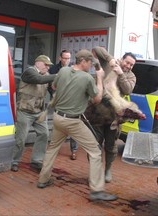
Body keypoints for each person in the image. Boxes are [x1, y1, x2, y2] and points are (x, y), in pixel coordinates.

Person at [37, 49, 117, 201]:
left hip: (58, 117)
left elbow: (54, 87)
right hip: (72, 121)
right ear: (84, 61)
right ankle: (97, 190)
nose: (91, 66)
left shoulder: (63, 71)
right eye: (90, 63)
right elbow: (97, 99)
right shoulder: (87, 78)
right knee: (95, 151)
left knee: (52, 148)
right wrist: (99, 79)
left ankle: (43, 180)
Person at [86, 46, 137, 183]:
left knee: (110, 146)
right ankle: (94, 172)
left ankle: (107, 169)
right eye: (127, 62)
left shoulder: (130, 76)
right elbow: (96, 49)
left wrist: (121, 74)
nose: (128, 66)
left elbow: (127, 90)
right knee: (93, 145)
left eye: (131, 65)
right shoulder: (109, 63)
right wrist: (110, 59)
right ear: (122, 59)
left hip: (113, 118)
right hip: (96, 113)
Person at [11, 55, 56, 172]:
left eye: (49, 65)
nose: (47, 67)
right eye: (45, 64)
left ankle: (37, 161)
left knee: (44, 134)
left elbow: (52, 89)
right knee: (21, 138)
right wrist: (58, 75)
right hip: (25, 111)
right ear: (37, 63)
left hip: (39, 112)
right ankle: (14, 161)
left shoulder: (46, 76)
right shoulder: (29, 72)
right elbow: (38, 80)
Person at [49, 49, 78, 160]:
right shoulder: (53, 69)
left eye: (69, 58)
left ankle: (74, 150)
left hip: (72, 102)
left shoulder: (74, 69)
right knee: (57, 125)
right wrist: (54, 95)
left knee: (74, 124)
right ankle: (54, 148)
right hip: (59, 101)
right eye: (65, 58)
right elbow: (49, 85)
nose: (67, 60)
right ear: (60, 58)